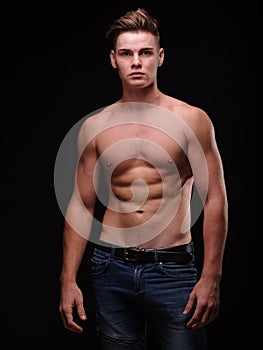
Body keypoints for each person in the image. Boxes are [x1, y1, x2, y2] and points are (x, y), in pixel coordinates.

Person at [58, 7, 228, 350]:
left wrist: (212, 275)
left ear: (160, 57)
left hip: (173, 269)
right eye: (126, 53)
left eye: (145, 52)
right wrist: (67, 278)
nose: (136, 62)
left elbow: (215, 200)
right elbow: (81, 204)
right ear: (113, 59)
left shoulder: (192, 120)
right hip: (110, 267)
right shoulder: (95, 126)